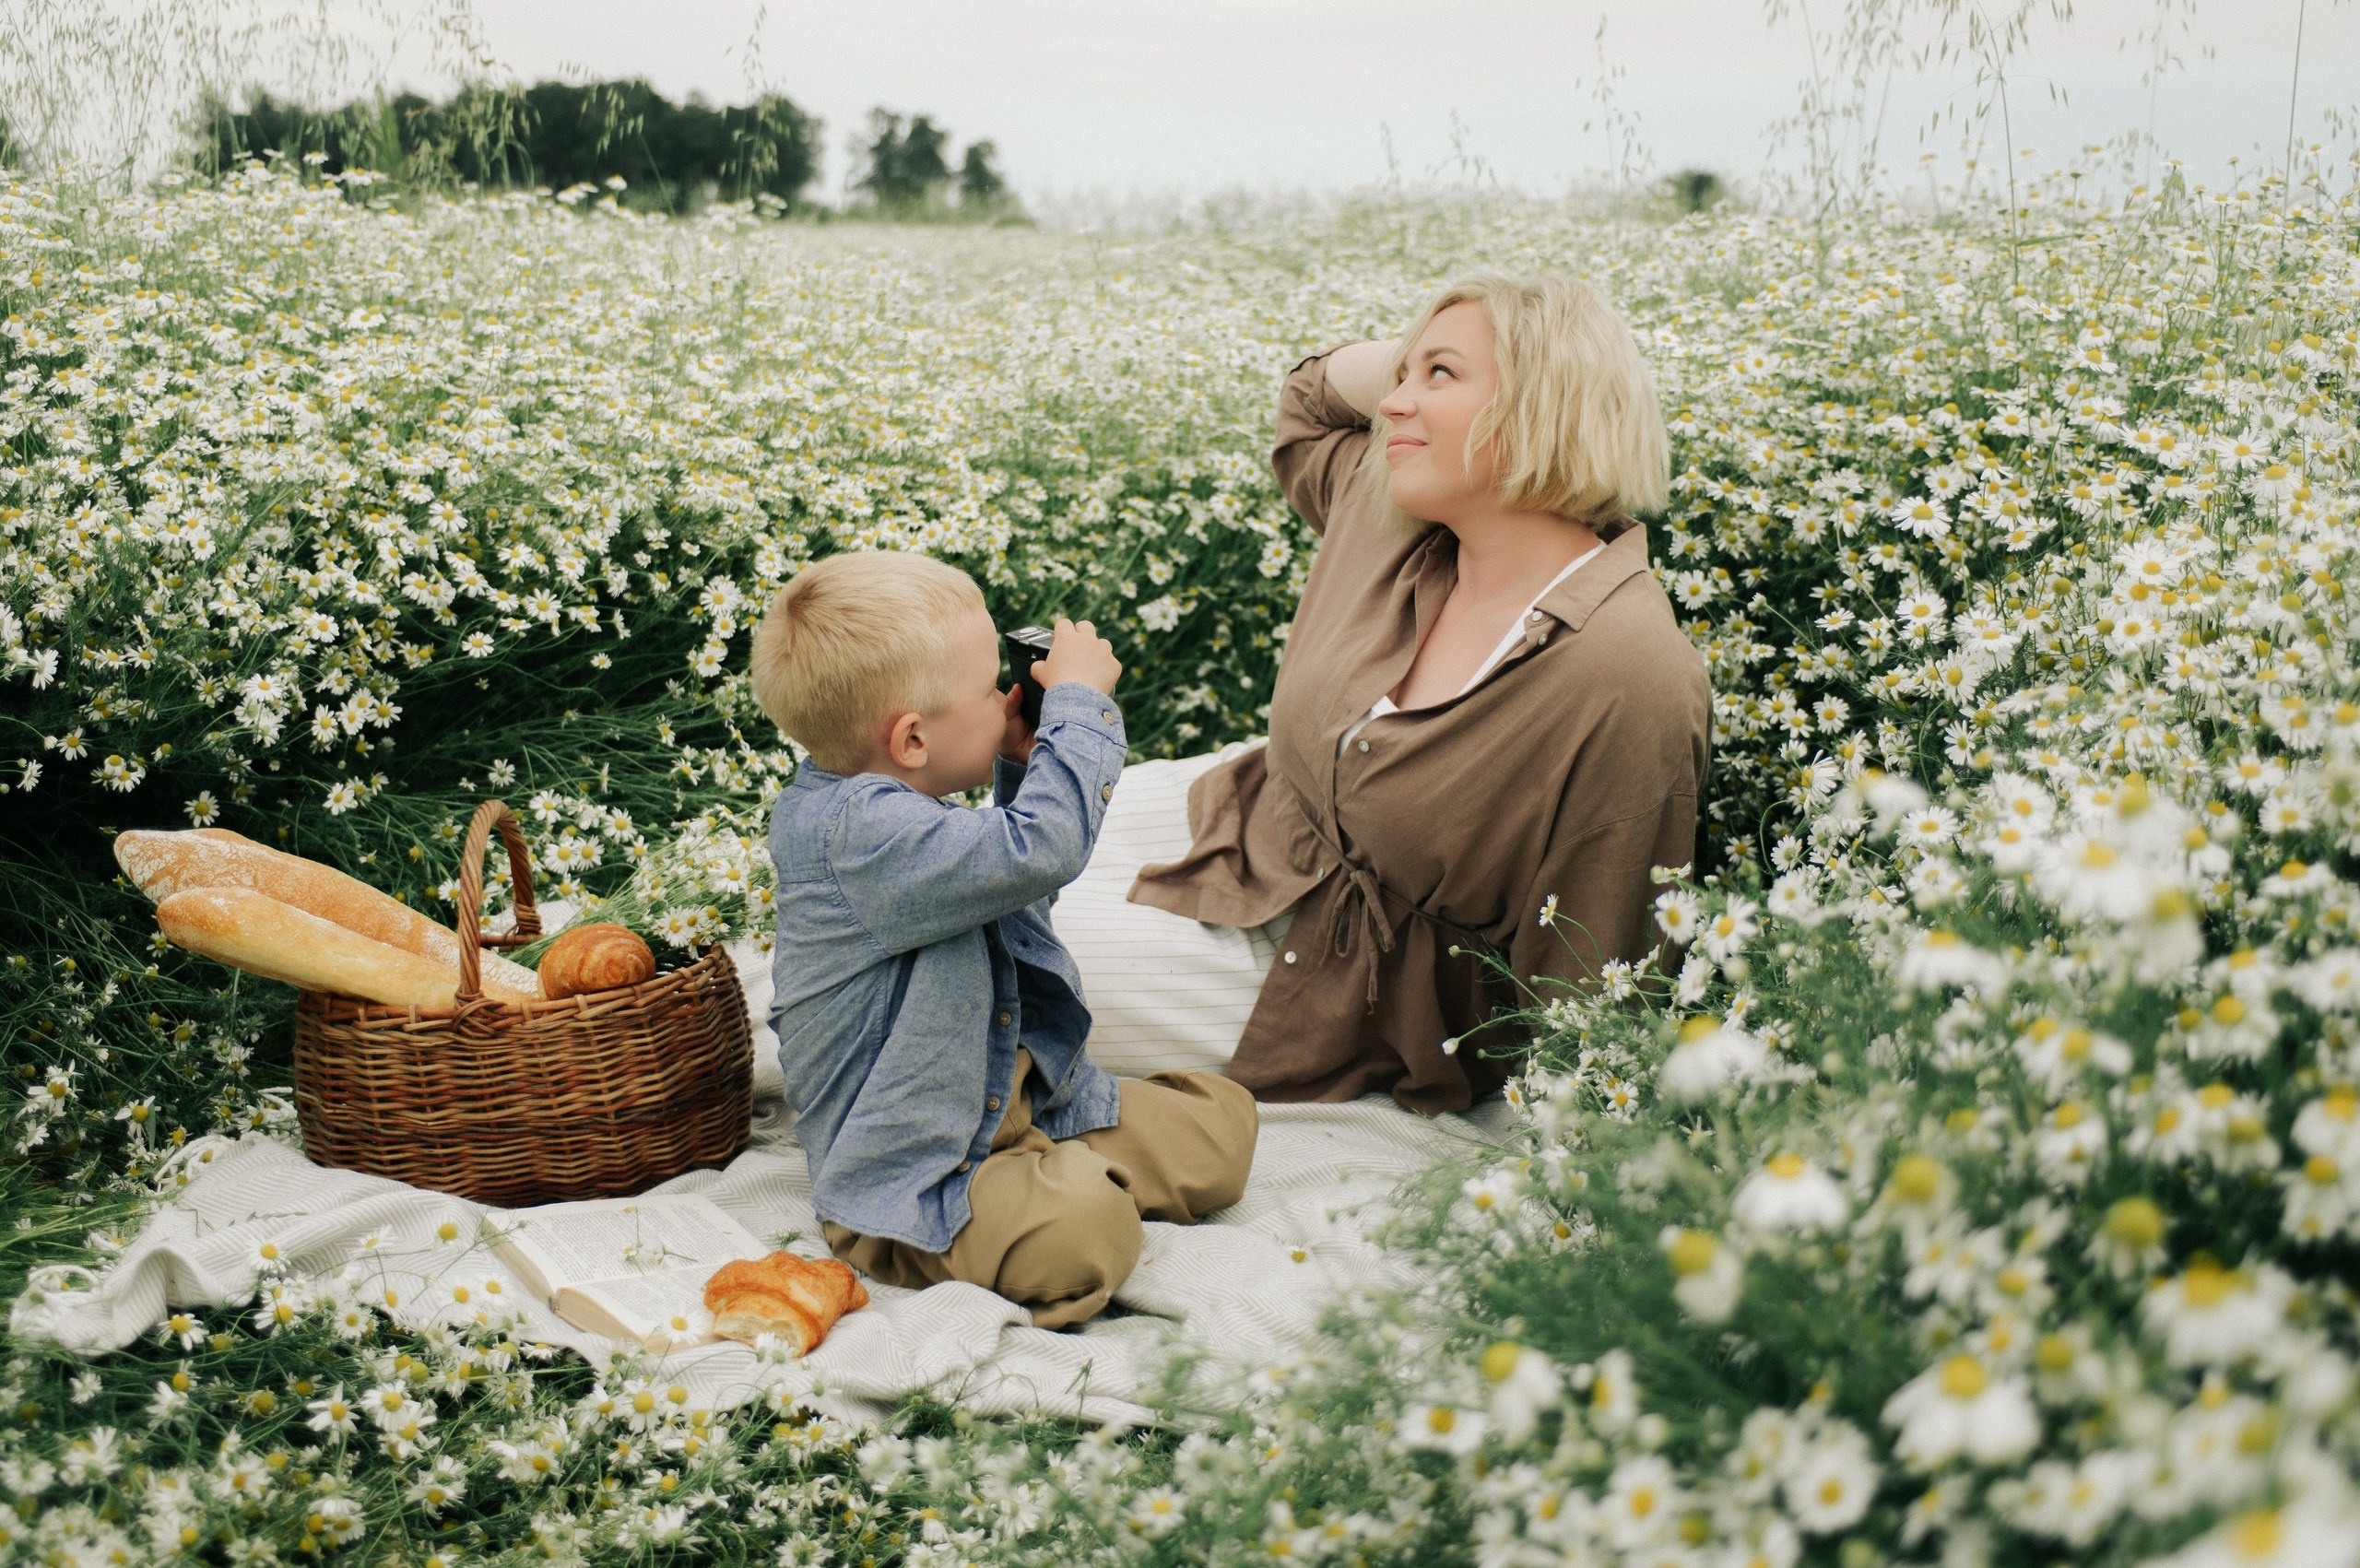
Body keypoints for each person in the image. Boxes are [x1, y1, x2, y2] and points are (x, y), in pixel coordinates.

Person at [1123, 274, 1711, 1113]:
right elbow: (1309, 401)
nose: (1392, 404)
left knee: (980, 956)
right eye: (1399, 373)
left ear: (1544, 404)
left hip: (1326, 983)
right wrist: (1423, 360)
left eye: (1438, 376)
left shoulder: (1625, 673)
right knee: (941, 870)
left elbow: (1597, 982)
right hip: (1237, 813)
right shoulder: (1403, 503)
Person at [749, 551, 1258, 1328]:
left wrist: (1020, 766)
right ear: (913, 739)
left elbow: (1015, 881)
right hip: (917, 1163)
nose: (1011, 692)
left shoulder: (893, 804)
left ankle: (1050, 1172)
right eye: (993, 685)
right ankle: (1027, 1203)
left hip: (1011, 1099)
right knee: (1087, 1234)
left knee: (1222, 1130)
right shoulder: (856, 831)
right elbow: (1040, 851)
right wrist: (1079, 707)